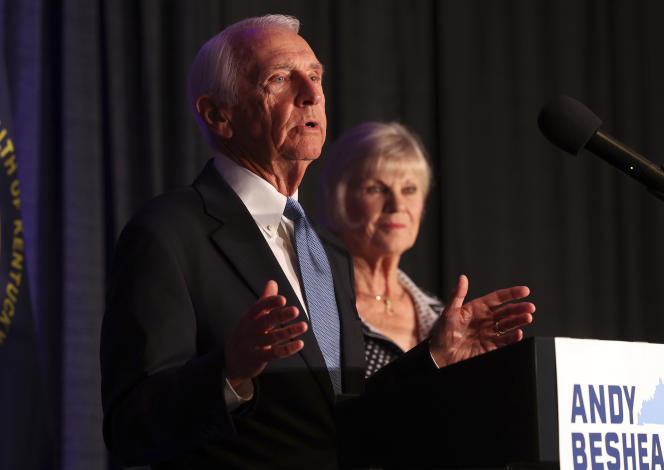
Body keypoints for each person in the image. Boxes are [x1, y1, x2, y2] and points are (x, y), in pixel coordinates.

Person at [100, 14, 535, 469]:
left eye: (314, 76)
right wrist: (229, 372)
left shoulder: (327, 251)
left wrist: (435, 356)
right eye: (280, 79)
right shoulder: (169, 232)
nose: (310, 94)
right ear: (217, 115)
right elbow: (131, 427)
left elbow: (346, 422)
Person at [318, 122, 443, 378]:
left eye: (409, 190)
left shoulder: (439, 315)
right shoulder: (318, 307)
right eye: (376, 189)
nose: (397, 205)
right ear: (339, 198)